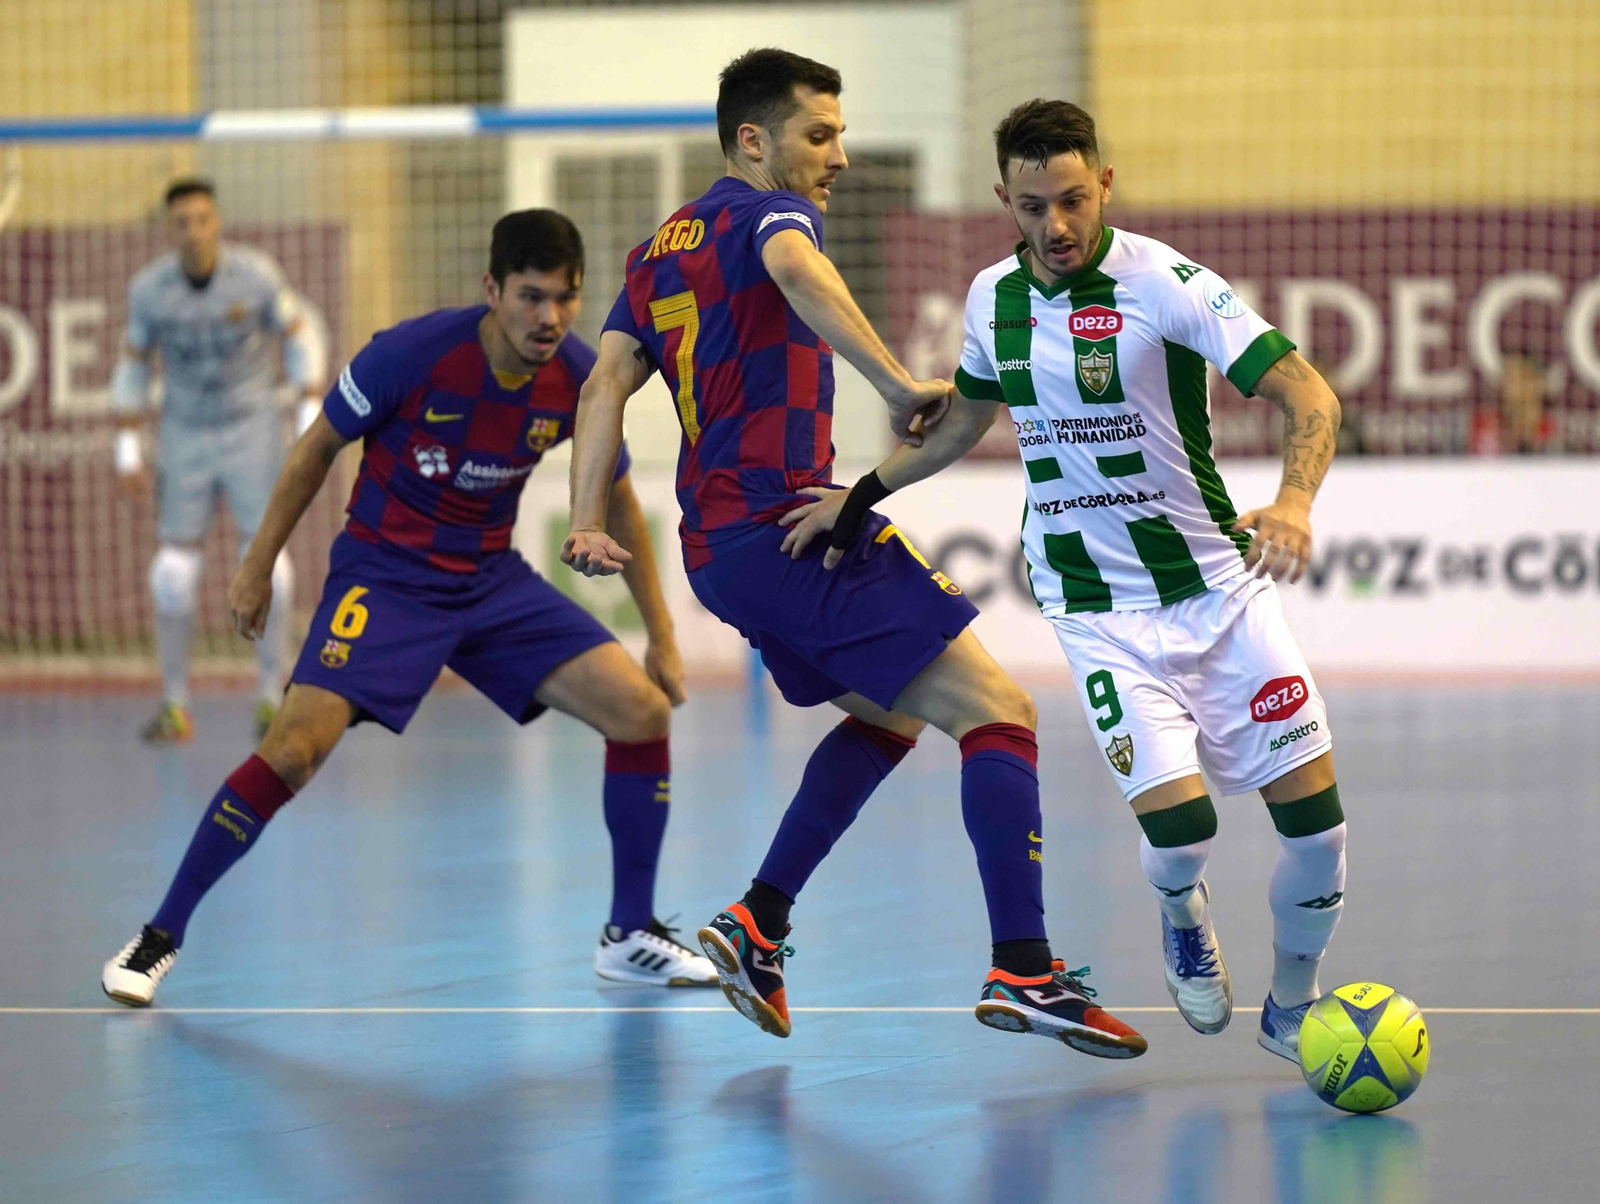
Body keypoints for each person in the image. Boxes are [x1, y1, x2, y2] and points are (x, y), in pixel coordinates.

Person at [563, 50, 1147, 1058]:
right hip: (788, 522)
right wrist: (892, 383)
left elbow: (602, 384)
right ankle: (1024, 966)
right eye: (820, 134)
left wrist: (585, 517)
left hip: (718, 549)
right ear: (755, 141)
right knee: (999, 712)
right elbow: (795, 266)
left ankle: (758, 922)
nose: (839, 154)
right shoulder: (773, 215)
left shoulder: (658, 250)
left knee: (890, 715)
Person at [792, 98, 1348, 1062]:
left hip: (1218, 592)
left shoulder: (1169, 284)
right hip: (1095, 610)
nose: (1055, 224)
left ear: (1105, 186)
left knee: (1318, 835)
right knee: (1183, 836)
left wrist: (1294, 502)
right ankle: (1181, 911)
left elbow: (1309, 391)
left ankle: (1292, 1008)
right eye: (1033, 205)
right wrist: (863, 492)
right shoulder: (990, 298)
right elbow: (963, 423)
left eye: (1073, 200)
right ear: (1003, 199)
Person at [100, 209, 716, 1006]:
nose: (550, 317)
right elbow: (315, 449)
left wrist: (661, 636)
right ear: (492, 289)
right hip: (385, 578)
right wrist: (256, 567)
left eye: (565, 298)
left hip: (489, 582)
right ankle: (159, 935)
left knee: (640, 711)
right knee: (292, 751)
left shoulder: (576, 375)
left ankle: (629, 936)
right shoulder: (410, 354)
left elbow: (619, 497)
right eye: (531, 297)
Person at [112, 178, 325, 743]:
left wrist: (309, 408)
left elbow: (300, 337)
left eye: (202, 219)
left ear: (218, 222)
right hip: (185, 431)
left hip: (252, 427)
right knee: (171, 575)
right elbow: (133, 364)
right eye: (181, 222)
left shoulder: (255, 275)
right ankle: (174, 705)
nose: (193, 232)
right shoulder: (149, 290)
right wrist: (126, 448)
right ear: (169, 229)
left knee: (270, 565)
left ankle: (270, 698)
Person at [1467, 351, 1556, 455]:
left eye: (1523, 377)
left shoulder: (1554, 430)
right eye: (1509, 377)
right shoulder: (1483, 424)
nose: (1514, 385)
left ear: (1540, 383)